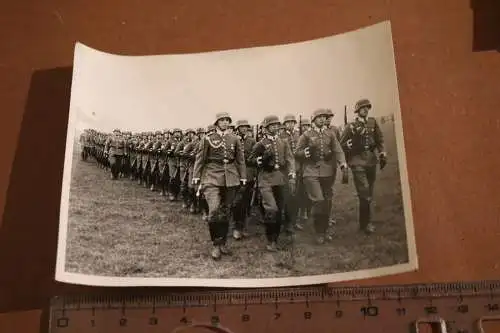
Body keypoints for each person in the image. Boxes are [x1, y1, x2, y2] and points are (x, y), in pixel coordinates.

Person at [192, 112, 247, 260]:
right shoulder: (208, 138)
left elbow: (240, 160)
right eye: (222, 120)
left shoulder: (234, 138)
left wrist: (243, 177)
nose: (224, 122)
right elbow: (200, 159)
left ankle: (223, 242)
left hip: (230, 178)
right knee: (214, 210)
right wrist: (196, 176)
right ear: (216, 123)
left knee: (226, 211)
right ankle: (216, 245)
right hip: (211, 177)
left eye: (227, 120)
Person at [295, 109, 347, 244]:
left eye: (324, 117)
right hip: (310, 172)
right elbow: (297, 152)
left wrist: (343, 163)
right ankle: (319, 233)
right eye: (319, 117)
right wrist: (304, 153)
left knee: (326, 202)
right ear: (313, 120)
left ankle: (324, 230)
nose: (322, 119)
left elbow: (338, 149)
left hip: (327, 172)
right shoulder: (306, 135)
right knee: (318, 200)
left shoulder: (330, 134)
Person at [248, 115, 295, 251]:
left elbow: (290, 158)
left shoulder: (283, 142)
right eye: (272, 125)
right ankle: (271, 240)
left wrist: (292, 173)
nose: (275, 127)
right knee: (271, 209)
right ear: (267, 128)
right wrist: (259, 160)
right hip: (266, 179)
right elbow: (251, 159)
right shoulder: (260, 144)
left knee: (280, 209)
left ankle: (275, 237)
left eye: (276, 125)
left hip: (280, 179)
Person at [340, 98, 386, 234]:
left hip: (371, 161)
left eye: (367, 107)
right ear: (357, 110)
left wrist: (382, 152)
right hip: (357, 162)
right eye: (363, 108)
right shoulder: (350, 126)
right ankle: (367, 224)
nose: (366, 109)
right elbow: (341, 144)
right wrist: (347, 146)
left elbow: (380, 139)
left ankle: (363, 223)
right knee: (365, 192)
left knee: (368, 193)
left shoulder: (373, 122)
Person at [231, 120, 256, 240]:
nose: (244, 129)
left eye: (246, 127)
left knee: (246, 202)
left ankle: (243, 226)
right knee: (236, 203)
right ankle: (237, 227)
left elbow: (255, 158)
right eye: (242, 127)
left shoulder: (252, 141)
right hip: (235, 174)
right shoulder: (233, 139)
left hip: (249, 175)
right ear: (238, 128)